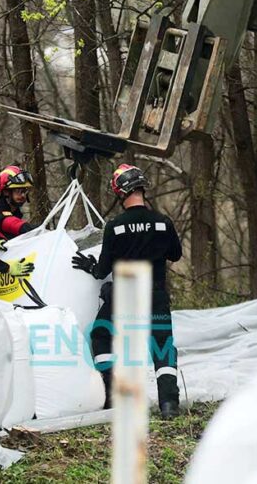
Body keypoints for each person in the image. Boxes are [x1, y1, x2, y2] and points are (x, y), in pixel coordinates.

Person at [71, 164, 183, 419]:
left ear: (120, 193)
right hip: (155, 295)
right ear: (142, 188)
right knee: (163, 346)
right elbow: (175, 255)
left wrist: (89, 265)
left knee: (101, 334)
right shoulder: (163, 223)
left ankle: (113, 395)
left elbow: (102, 271)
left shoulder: (115, 226)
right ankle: (169, 404)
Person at [0, 165, 36, 240]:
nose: (23, 195)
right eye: (18, 191)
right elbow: (19, 226)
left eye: (25, 191)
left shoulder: (14, 211)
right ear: (6, 192)